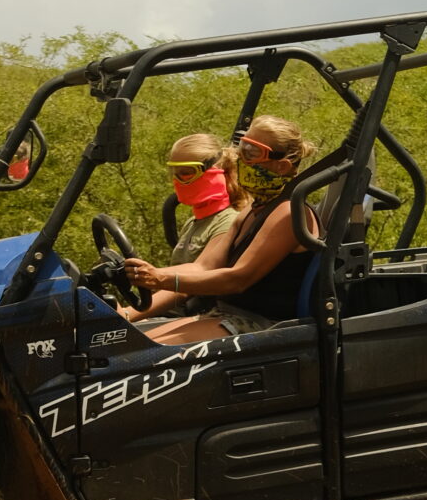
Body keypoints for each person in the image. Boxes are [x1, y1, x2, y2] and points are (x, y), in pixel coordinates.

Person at [124, 115, 319, 344]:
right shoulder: (252, 210)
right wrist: (146, 280)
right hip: (227, 316)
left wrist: (162, 279)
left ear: (281, 165)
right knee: (125, 345)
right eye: (242, 145)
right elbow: (203, 266)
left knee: (141, 355)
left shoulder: (289, 212)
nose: (239, 157)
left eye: (252, 151)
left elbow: (238, 279)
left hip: (265, 327)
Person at [124, 133, 241, 327]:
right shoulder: (195, 221)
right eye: (174, 173)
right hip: (174, 314)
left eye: (186, 172)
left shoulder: (229, 222)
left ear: (217, 170)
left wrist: (129, 313)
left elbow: (188, 285)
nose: (178, 180)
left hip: (199, 317)